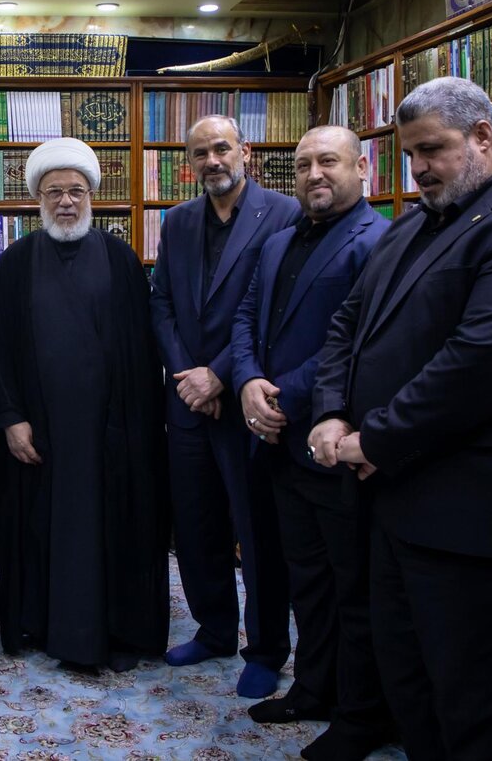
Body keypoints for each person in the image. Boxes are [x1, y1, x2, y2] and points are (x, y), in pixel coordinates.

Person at [310, 76, 492, 760]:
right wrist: (329, 411)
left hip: (480, 524)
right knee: (411, 694)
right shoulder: (412, 223)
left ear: (484, 136)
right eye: (410, 154)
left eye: (433, 149)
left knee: (474, 711)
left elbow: (475, 366)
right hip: (397, 507)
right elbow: (348, 323)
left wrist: (369, 439)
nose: (420, 168)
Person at [231, 126, 392, 761]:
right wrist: (246, 381)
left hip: (334, 442)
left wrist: (279, 397)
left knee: (353, 588)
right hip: (277, 445)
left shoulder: (378, 241)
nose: (314, 174)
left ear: (362, 166)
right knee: (309, 583)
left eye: (328, 161)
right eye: (302, 165)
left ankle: (361, 715)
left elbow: (349, 343)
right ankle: (314, 689)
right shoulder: (276, 242)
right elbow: (247, 317)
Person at [0, 137, 168, 672]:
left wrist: (136, 430)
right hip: (41, 435)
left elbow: (141, 354)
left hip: (110, 433)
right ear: (37, 201)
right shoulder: (16, 262)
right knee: (45, 528)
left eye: (75, 191)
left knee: (109, 527)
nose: (66, 201)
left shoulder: (121, 258)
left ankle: (112, 627)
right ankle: (44, 624)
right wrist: (11, 420)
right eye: (54, 192)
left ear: (92, 194)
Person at [150, 115, 301, 697]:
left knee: (255, 528)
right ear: (189, 163)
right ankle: (213, 629)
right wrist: (188, 377)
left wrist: (218, 376)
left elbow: (274, 313)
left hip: (246, 400)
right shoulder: (179, 220)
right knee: (194, 523)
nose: (211, 160)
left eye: (220, 148)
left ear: (246, 152)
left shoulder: (283, 215)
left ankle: (264, 648)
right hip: (187, 402)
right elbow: (160, 303)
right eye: (199, 153)